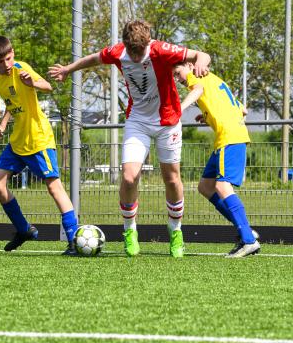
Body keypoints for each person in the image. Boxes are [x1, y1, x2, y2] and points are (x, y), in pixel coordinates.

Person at [49, 20, 211, 258]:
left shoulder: (161, 50)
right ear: (125, 45)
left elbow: (202, 55)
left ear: (147, 43)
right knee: (128, 176)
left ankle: (176, 232)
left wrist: (200, 65)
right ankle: (129, 231)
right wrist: (67, 69)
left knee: (172, 178)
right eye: (132, 52)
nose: (135, 57)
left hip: (168, 121)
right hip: (138, 121)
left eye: (140, 51)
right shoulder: (118, 52)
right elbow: (93, 58)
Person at [0, 36, 78, 254]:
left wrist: (33, 82)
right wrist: (2, 124)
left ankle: (74, 238)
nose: (6, 65)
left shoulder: (21, 69)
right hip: (18, 140)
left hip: (38, 139)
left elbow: (47, 87)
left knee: (53, 187)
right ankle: (24, 230)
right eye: (0, 62)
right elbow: (13, 102)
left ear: (13, 53)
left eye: (8, 59)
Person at [173, 61, 260, 258]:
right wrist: (209, 116)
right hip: (229, 137)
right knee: (205, 186)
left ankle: (248, 239)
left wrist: (179, 109)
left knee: (222, 187)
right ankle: (245, 230)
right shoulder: (215, 80)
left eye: (178, 73)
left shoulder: (197, 76)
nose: (178, 79)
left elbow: (197, 89)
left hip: (229, 138)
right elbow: (242, 110)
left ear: (189, 64)